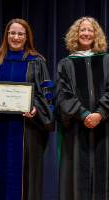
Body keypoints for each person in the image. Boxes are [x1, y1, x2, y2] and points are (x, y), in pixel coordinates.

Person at [0, 18, 54, 200]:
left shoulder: (37, 62)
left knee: (27, 175)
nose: (16, 37)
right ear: (6, 35)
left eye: (20, 34)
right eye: (12, 33)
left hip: (28, 130)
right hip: (1, 127)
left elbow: (47, 96)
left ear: (27, 37)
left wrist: (36, 110)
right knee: (0, 172)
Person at [56, 16, 109, 200]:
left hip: (105, 127)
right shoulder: (66, 63)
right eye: (82, 30)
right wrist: (84, 114)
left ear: (96, 35)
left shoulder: (107, 61)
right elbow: (63, 94)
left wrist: (101, 113)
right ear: (75, 35)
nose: (86, 33)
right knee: (77, 180)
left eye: (90, 30)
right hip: (77, 129)